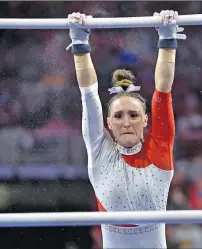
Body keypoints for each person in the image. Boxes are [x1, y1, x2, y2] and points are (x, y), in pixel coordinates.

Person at [66, 10, 186, 249]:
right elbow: (88, 96)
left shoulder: (159, 148)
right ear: (108, 123)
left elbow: (163, 91)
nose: (126, 122)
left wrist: (167, 39)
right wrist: (80, 43)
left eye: (133, 115)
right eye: (118, 116)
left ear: (145, 120)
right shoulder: (101, 152)